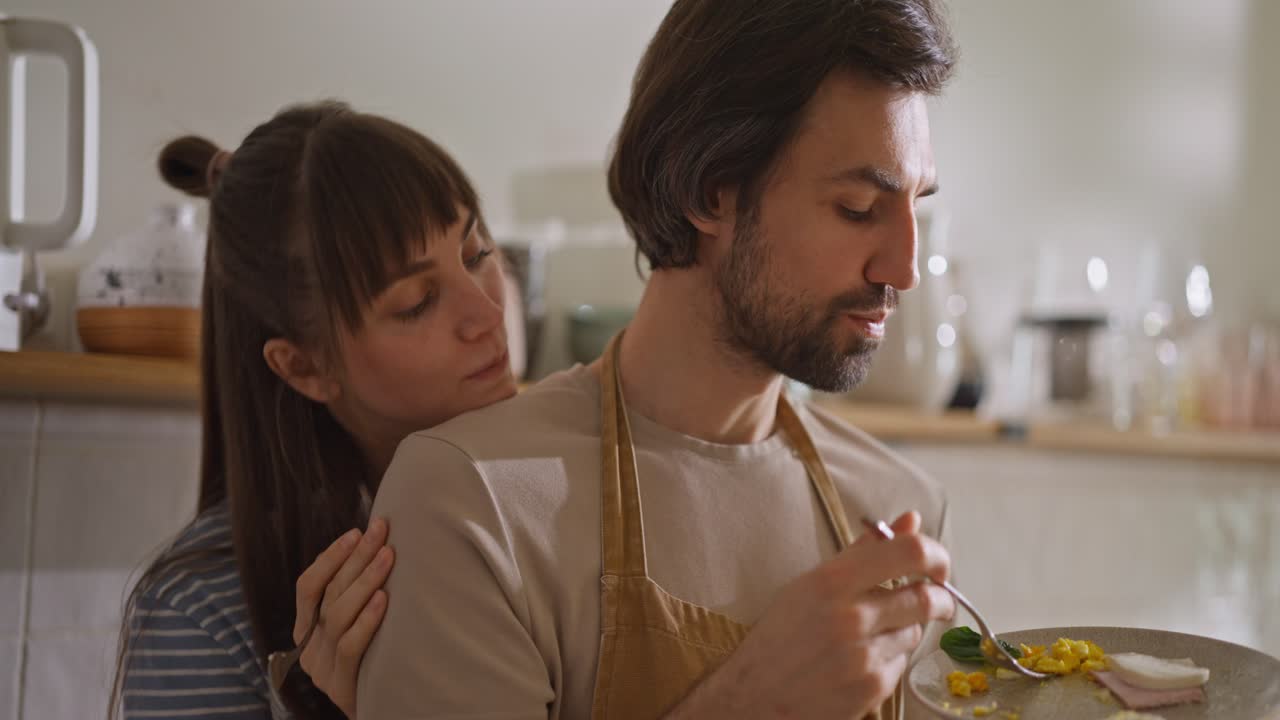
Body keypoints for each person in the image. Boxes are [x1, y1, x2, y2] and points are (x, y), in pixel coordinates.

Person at [358, 0, 960, 718]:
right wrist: (750, 703)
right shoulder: (471, 503)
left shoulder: (901, 515)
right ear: (708, 192)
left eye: (916, 207)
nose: (904, 270)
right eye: (858, 208)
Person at [110, 100, 517, 720]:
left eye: (476, 253)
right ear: (305, 367)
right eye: (415, 301)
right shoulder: (200, 608)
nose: (487, 314)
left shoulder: (552, 504)